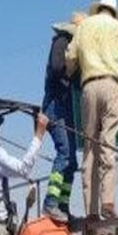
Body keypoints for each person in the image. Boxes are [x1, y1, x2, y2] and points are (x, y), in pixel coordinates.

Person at [65, 0, 118, 220]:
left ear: (98, 9)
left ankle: (91, 210)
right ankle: (107, 201)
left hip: (88, 88)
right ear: (114, 12)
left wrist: (71, 74)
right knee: (107, 143)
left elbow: (70, 57)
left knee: (89, 148)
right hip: (111, 84)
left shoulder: (84, 27)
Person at [41, 12, 84, 222]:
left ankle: (63, 205)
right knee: (65, 153)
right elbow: (58, 68)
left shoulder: (71, 47)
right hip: (55, 107)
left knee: (72, 161)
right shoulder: (61, 41)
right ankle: (50, 203)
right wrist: (72, 72)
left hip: (66, 109)